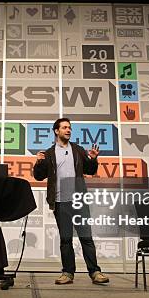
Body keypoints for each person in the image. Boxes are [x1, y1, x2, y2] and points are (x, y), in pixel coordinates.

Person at [33, 118, 110, 285]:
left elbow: (89, 170)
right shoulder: (49, 153)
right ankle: (68, 273)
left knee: (86, 237)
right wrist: (38, 162)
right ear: (56, 131)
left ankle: (95, 272)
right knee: (65, 239)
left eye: (70, 128)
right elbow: (39, 176)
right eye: (65, 127)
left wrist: (94, 159)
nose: (68, 130)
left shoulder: (78, 150)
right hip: (60, 202)